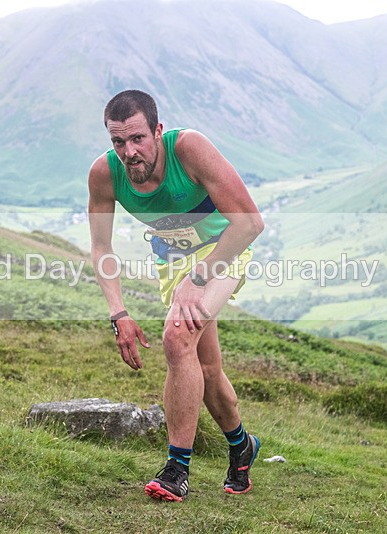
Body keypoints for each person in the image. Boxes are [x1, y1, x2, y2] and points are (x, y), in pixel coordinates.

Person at [88, 89, 264, 502]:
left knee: (177, 337)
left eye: (137, 139)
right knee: (205, 366)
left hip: (224, 248)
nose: (128, 152)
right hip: (173, 261)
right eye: (118, 141)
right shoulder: (104, 174)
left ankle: (176, 470)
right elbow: (101, 247)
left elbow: (250, 223)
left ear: (158, 131)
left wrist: (200, 277)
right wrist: (119, 313)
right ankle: (241, 445)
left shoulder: (189, 149)